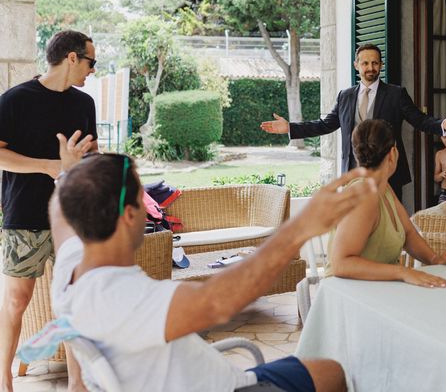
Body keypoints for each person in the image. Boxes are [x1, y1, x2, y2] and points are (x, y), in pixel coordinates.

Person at [50, 150, 377, 392]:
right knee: (335, 375)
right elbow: (218, 301)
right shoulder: (122, 299)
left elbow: (59, 215)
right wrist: (300, 228)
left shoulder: (71, 266)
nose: (154, 208)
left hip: (218, 376)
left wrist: (68, 173)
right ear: (129, 217)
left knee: (330, 371)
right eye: (144, 199)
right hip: (230, 387)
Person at [0, 30, 98, 392]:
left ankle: (77, 382)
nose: (92, 71)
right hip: (23, 213)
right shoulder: (13, 101)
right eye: (91, 62)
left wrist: (82, 165)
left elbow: (89, 154)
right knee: (16, 300)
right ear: (72, 58)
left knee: (73, 301)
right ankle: (4, 378)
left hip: (72, 219)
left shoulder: (84, 104)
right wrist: (49, 166)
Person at [260, 43, 446, 200]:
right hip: (353, 171)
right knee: (356, 221)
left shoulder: (396, 94)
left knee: (387, 221)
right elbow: (326, 125)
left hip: (387, 171)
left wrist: (442, 124)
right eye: (365, 62)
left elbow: (419, 120)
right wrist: (291, 128)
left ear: (380, 65)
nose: (370, 67)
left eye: (375, 62)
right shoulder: (345, 96)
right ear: (356, 65)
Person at [325, 119, 446, 288]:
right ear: (393, 153)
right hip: (348, 295)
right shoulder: (362, 198)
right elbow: (341, 264)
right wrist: (403, 272)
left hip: (378, 290)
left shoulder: (383, 187)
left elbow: (408, 234)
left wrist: (435, 259)